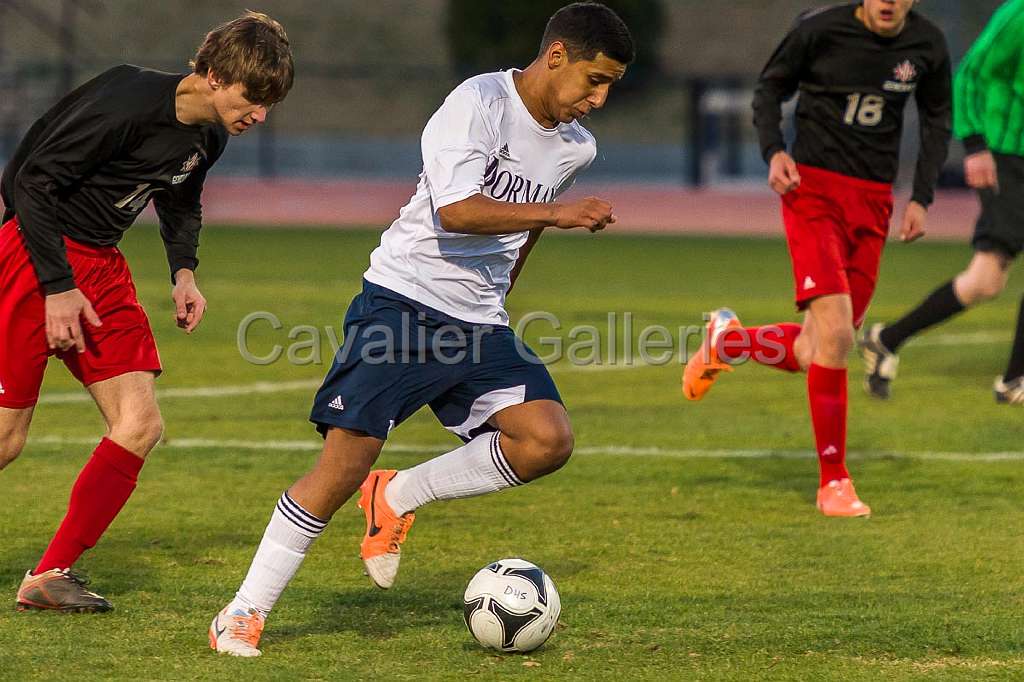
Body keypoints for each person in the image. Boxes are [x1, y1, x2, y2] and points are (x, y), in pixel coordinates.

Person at [209, 1, 633, 658]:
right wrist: (559, 211)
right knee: (344, 464)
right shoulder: (478, 103)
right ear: (557, 57)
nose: (599, 99)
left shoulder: (576, 146)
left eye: (610, 87)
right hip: (403, 305)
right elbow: (458, 210)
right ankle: (242, 611)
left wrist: (502, 295)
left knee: (546, 439)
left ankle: (399, 494)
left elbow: (525, 236)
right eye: (593, 80)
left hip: (478, 322)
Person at [0, 11, 293, 612]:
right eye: (253, 97)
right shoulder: (126, 102)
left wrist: (183, 271)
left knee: (140, 423)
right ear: (213, 75)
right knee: (6, 438)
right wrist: (56, 284)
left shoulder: (208, 134)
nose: (260, 116)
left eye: (270, 104)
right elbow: (26, 180)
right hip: (35, 259)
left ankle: (49, 574)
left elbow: (182, 199)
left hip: (102, 270)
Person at [682, 0, 951, 516]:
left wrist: (922, 195)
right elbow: (769, 89)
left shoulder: (927, 43)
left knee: (819, 347)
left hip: (873, 200)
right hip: (813, 192)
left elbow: (938, 116)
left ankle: (730, 342)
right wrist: (773, 150)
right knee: (837, 336)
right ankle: (834, 482)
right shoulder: (819, 29)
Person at [861, 0, 1024, 404]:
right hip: (1005, 155)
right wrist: (974, 145)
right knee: (987, 278)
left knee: (985, 281)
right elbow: (969, 75)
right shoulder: (1019, 14)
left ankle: (887, 339)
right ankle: (1013, 381)